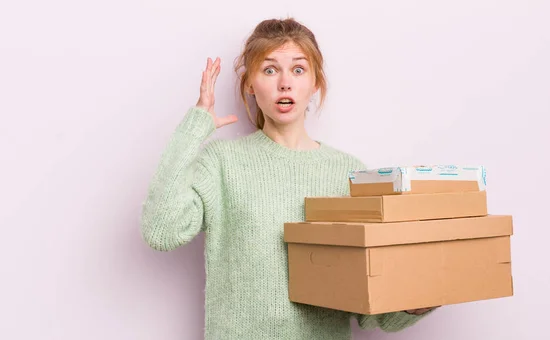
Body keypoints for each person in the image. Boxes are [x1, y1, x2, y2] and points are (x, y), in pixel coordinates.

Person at [141, 17, 436, 340]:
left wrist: (419, 302)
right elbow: (161, 231)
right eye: (269, 70)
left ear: (315, 83)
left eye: (298, 69)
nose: (285, 83)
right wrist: (194, 127)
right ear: (250, 84)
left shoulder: (348, 174)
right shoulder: (222, 163)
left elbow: (368, 309)